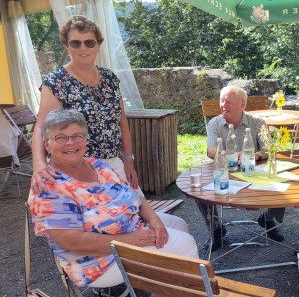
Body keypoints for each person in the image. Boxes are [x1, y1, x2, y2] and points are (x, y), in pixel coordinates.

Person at [28, 109, 198, 294]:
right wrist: (130, 241)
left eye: (77, 136)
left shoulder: (97, 164)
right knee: (185, 244)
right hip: (97, 262)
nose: (71, 143)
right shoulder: (48, 187)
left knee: (179, 225)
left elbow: (134, 196)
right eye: (60, 137)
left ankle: (160, 287)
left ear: (85, 140)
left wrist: (154, 220)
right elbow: (73, 243)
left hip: (131, 230)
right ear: (47, 145)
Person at [31, 15, 138, 194]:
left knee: (135, 209)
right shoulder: (56, 82)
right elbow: (41, 126)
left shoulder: (110, 78)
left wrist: (128, 160)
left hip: (113, 162)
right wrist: (39, 165)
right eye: (76, 43)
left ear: (98, 45)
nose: (83, 48)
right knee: (96, 218)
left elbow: (122, 121)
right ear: (66, 45)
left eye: (89, 42)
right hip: (75, 165)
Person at [201, 85, 285, 250]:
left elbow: (268, 149)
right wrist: (229, 155)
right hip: (226, 171)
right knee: (199, 191)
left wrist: (256, 155)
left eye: (229, 102)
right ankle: (216, 229)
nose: (224, 105)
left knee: (280, 181)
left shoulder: (257, 122)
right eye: (222, 100)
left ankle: (268, 218)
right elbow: (211, 151)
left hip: (253, 171)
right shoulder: (214, 123)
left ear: (242, 105)